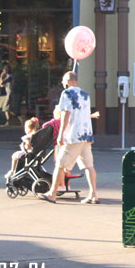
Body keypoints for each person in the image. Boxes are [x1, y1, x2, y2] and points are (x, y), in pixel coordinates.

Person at [41, 72, 100, 204]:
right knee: (89, 166)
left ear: (67, 81)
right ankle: (93, 194)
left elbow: (66, 114)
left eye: (63, 81)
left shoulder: (66, 94)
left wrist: (61, 134)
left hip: (73, 135)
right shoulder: (85, 94)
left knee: (60, 165)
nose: (62, 84)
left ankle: (52, 194)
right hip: (86, 135)